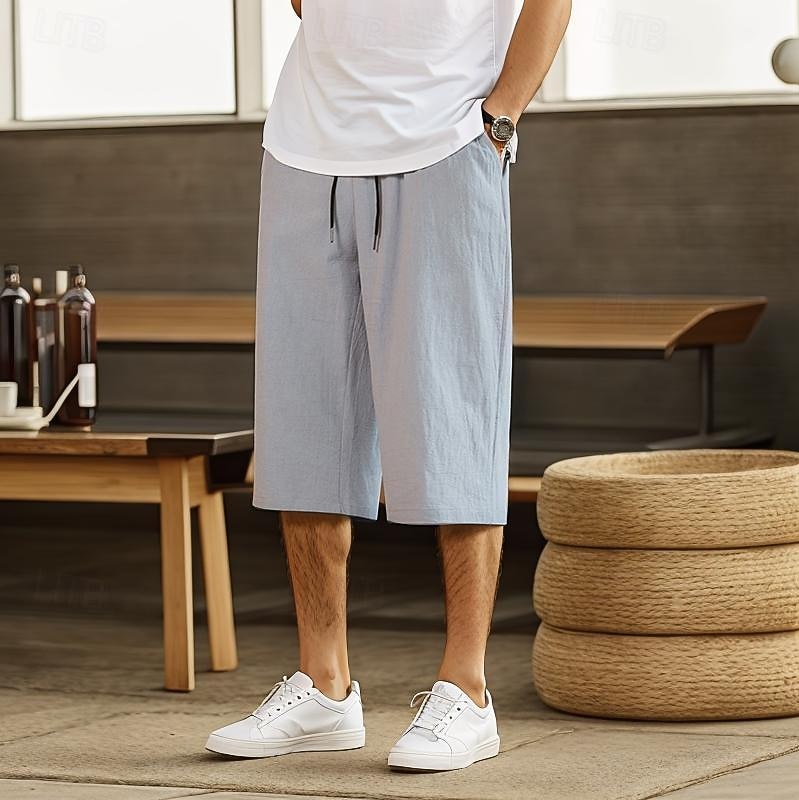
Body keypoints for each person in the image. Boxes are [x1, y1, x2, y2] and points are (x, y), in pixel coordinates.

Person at [206, 0, 570, 772]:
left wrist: (500, 116)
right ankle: (323, 685)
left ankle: (466, 690)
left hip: (446, 142)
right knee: (305, 426)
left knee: (452, 419)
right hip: (305, 144)